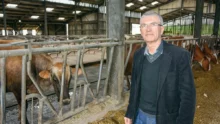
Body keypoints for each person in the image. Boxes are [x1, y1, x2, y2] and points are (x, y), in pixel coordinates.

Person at [124, 11, 196, 124]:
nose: (148, 29)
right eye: (143, 25)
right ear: (141, 31)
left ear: (161, 29)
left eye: (153, 24)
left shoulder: (179, 55)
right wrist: (130, 111)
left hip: (164, 119)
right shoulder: (138, 55)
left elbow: (188, 96)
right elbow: (135, 87)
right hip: (139, 116)